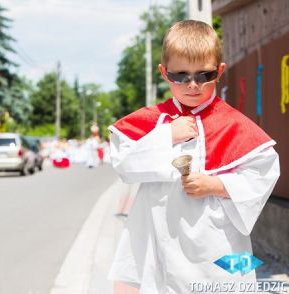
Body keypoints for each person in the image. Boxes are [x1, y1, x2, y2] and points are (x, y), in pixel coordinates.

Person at [107, 20, 280, 293]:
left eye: (203, 75)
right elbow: (124, 165)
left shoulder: (233, 124)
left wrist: (217, 185)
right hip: (160, 236)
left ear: (219, 71)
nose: (192, 85)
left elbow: (264, 171)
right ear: (164, 73)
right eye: (181, 76)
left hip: (219, 241)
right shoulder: (153, 122)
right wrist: (166, 136)